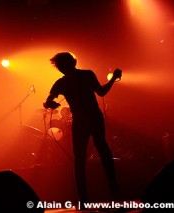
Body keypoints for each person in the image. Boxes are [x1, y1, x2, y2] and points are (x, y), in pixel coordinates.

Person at [43, 52, 122, 208]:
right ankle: (110, 193)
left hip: (84, 120)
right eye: (59, 66)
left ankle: (84, 199)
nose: (59, 68)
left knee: (83, 157)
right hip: (89, 118)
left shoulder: (64, 82)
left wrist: (49, 103)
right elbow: (101, 92)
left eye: (60, 65)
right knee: (101, 151)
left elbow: (48, 101)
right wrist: (113, 78)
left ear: (69, 64)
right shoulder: (81, 76)